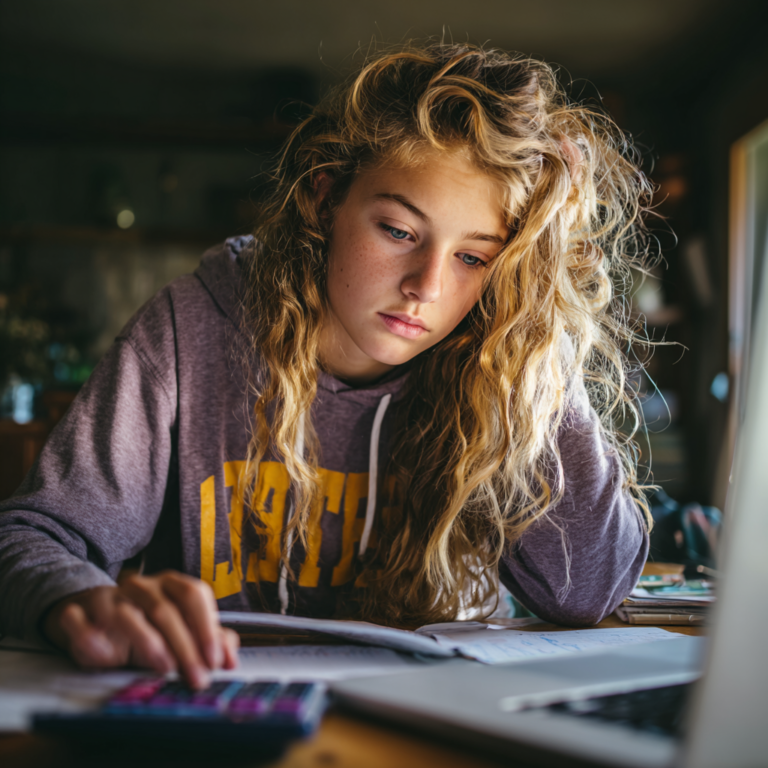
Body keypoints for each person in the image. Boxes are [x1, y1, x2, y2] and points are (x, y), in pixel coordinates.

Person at [0, 43, 653, 689]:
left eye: (474, 257)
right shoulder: (188, 330)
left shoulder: (499, 360)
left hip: (434, 717)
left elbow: (589, 591)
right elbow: (36, 533)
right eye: (398, 231)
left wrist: (533, 337)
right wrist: (78, 600)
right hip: (225, 711)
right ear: (325, 199)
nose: (426, 285)